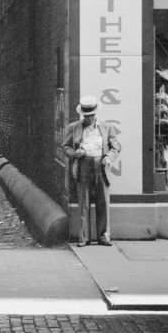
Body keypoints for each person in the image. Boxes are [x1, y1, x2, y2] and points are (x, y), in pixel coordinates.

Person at [62, 95, 120, 247]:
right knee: (84, 202)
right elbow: (65, 147)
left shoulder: (106, 128)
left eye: (91, 116)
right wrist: (75, 154)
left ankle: (103, 236)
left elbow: (116, 146)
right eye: (86, 116)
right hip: (83, 164)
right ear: (82, 115)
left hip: (101, 165)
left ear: (96, 114)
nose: (89, 119)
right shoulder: (74, 128)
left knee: (103, 202)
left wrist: (108, 157)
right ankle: (84, 237)